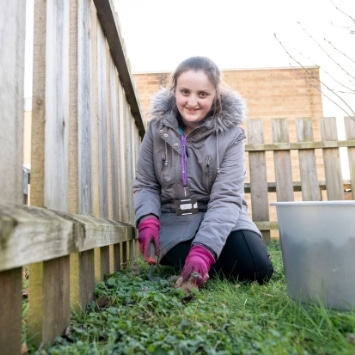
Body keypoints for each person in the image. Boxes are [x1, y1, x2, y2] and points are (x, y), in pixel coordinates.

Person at [133, 56, 273, 287]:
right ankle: (197, 260)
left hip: (222, 215)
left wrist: (204, 250)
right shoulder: (156, 131)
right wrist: (148, 219)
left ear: (215, 95)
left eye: (202, 94)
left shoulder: (232, 136)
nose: (192, 102)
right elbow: (146, 183)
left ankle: (206, 256)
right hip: (176, 217)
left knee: (256, 270)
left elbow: (227, 198)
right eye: (185, 92)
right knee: (204, 262)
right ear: (174, 91)